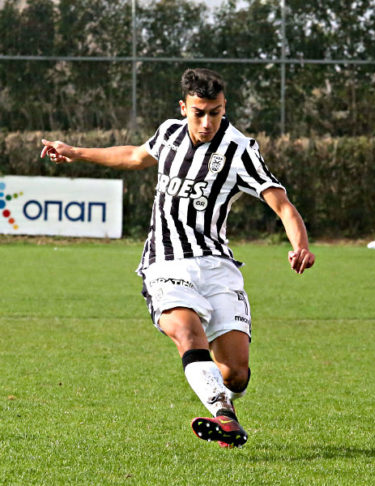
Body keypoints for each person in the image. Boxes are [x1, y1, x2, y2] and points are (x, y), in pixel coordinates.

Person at [40, 68, 315, 448]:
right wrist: (75, 151)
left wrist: (300, 245)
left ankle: (225, 405)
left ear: (224, 108)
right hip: (165, 261)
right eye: (199, 113)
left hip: (217, 265)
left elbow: (282, 204)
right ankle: (224, 415)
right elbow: (134, 155)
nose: (207, 123)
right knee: (188, 333)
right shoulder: (169, 133)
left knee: (236, 373)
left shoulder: (240, 150)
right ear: (184, 108)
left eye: (215, 113)